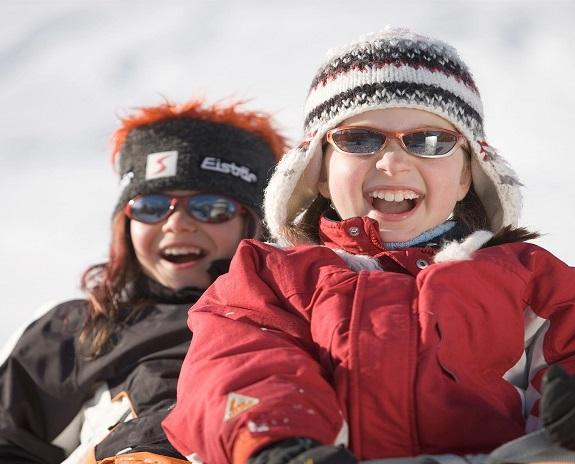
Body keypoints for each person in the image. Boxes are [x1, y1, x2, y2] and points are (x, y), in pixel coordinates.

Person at [162, 28, 575, 464]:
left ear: (466, 177)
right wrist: (279, 444)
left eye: (429, 141)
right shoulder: (271, 281)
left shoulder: (530, 281)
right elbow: (241, 366)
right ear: (320, 172)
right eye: (359, 139)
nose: (393, 162)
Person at [0, 98, 285, 464]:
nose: (176, 224)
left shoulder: (298, 317)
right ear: (126, 225)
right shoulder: (73, 333)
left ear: (256, 224)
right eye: (152, 207)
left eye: (210, 208)